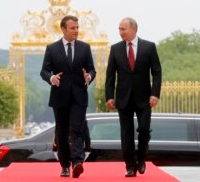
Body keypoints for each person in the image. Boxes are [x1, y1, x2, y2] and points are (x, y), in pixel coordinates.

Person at [105, 17, 162, 177]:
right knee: (126, 133)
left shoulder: (148, 47)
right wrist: (109, 96)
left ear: (134, 29)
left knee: (143, 129)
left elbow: (157, 72)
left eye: (123, 29)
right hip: (123, 98)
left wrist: (155, 94)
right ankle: (130, 166)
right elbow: (110, 75)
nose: (120, 32)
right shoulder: (115, 49)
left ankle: (141, 158)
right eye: (119, 29)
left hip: (144, 98)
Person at [40, 15, 96, 178]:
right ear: (63, 29)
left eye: (77, 28)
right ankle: (64, 165)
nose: (76, 31)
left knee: (76, 129)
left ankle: (77, 162)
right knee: (62, 132)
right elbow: (44, 71)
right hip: (59, 96)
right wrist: (51, 78)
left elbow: (92, 69)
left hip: (79, 96)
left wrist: (89, 77)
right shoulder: (52, 48)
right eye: (73, 28)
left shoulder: (85, 48)